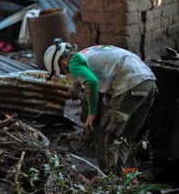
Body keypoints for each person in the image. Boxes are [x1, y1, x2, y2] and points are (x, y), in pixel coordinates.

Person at [44, 39, 157, 176]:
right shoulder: (88, 54)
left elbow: (91, 82)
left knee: (107, 134)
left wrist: (91, 114)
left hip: (129, 84)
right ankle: (128, 177)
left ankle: (109, 181)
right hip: (149, 83)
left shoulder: (74, 63)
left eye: (63, 72)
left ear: (63, 64)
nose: (67, 75)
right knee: (126, 137)